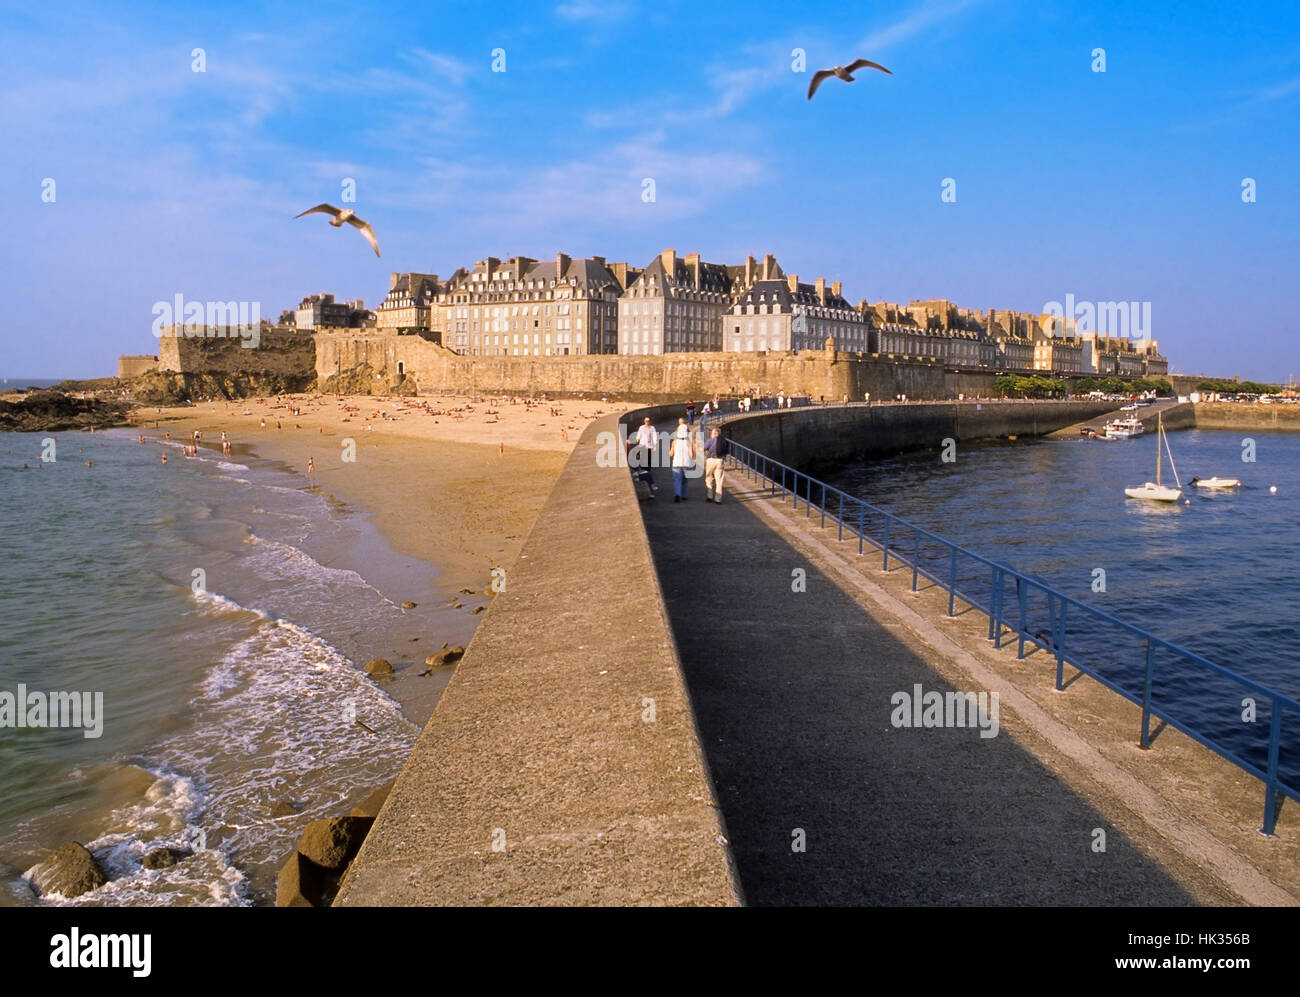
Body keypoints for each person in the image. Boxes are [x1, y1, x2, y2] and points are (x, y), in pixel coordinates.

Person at [669, 419, 694, 502]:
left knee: (677, 480)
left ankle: (677, 494)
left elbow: (671, 454)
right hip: (685, 463)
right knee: (685, 480)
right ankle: (684, 495)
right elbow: (692, 455)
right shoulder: (688, 442)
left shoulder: (674, 442)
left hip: (676, 463)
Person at [703, 428, 728, 504]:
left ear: (713, 434)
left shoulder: (711, 440)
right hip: (720, 461)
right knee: (719, 480)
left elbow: (703, 448)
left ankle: (710, 496)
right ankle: (718, 499)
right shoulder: (724, 441)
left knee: (709, 478)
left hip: (711, 460)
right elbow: (727, 451)